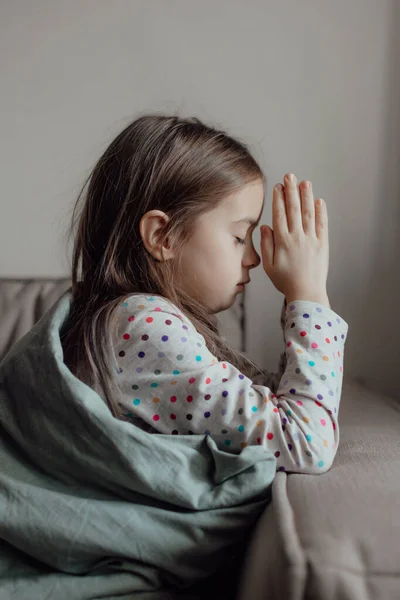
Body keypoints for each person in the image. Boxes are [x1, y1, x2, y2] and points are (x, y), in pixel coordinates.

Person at [61, 113, 349, 475]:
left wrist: (299, 300)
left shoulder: (147, 323)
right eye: (240, 237)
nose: (254, 258)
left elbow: (276, 406)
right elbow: (306, 442)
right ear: (163, 237)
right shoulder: (142, 328)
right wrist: (309, 294)